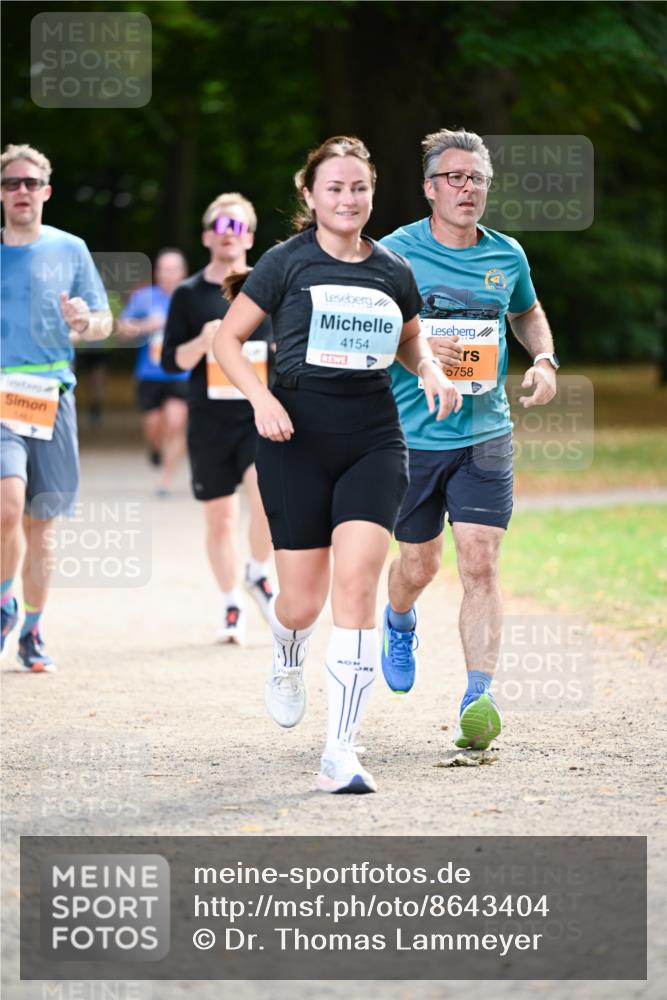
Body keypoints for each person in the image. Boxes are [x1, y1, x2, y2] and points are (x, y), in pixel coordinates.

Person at [214, 136, 461, 794]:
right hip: (293, 437)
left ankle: (340, 752)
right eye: (334, 188)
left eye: (358, 187)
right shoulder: (283, 263)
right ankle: (288, 650)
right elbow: (226, 338)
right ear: (310, 194)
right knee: (300, 602)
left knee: (356, 588)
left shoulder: (391, 271)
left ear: (372, 193)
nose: (347, 198)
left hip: (374, 441)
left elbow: (411, 340)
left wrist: (431, 371)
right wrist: (260, 397)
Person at [380, 128, 559, 750]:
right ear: (430, 188)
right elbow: (372, 333)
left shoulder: (507, 255)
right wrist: (423, 356)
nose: (467, 188)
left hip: (486, 434)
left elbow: (527, 312)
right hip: (411, 437)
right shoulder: (394, 253)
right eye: (454, 177)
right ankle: (398, 619)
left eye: (476, 178)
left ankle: (477, 697)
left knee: (480, 562)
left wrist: (545, 360)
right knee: (418, 564)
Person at [0, 143, 112, 671]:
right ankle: (4, 604)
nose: (20, 191)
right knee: (7, 506)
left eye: (30, 183)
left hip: (51, 396)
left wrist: (84, 322)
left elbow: (105, 322)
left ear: (46, 191)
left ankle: (33, 628)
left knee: (42, 525)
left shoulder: (71, 249)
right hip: (1, 397)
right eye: (10, 183)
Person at [161, 193, 274, 644]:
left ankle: (258, 571)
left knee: (267, 494)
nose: (231, 236)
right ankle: (231, 604)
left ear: (249, 234)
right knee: (220, 520)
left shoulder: (266, 286)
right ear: (208, 235)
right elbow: (171, 361)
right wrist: (205, 341)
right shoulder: (188, 295)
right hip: (208, 419)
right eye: (222, 228)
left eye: (239, 227)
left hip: (257, 413)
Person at [117, 248, 189, 496]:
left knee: (176, 423)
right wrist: (147, 325)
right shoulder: (144, 297)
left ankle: (166, 482)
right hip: (149, 374)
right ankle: (155, 447)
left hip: (181, 373)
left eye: (173, 269)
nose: (167, 274)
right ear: (157, 272)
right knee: (154, 426)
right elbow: (122, 328)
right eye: (163, 269)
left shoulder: (190, 296)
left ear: (183, 272)